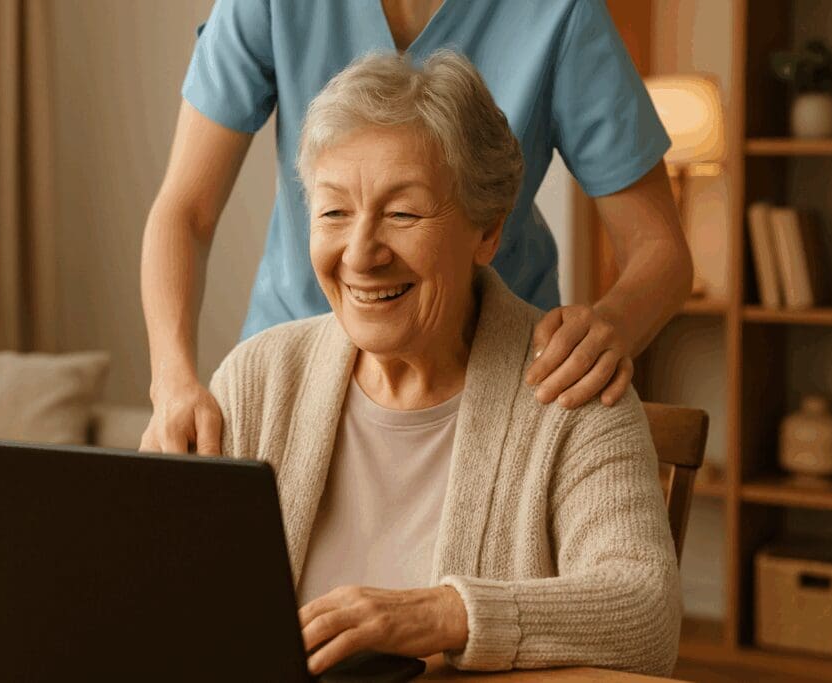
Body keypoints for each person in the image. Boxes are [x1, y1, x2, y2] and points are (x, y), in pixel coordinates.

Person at [207, 49, 680, 676]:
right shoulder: (257, 379)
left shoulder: (573, 385)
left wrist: (444, 614)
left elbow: (645, 612)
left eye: (402, 213)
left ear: (487, 232)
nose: (361, 254)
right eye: (334, 212)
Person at [139, 0, 692, 456]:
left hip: (502, 383)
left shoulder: (560, 12)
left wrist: (612, 326)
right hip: (295, 375)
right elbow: (186, 210)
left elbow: (659, 249)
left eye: (403, 213)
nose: (363, 251)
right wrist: (171, 380)